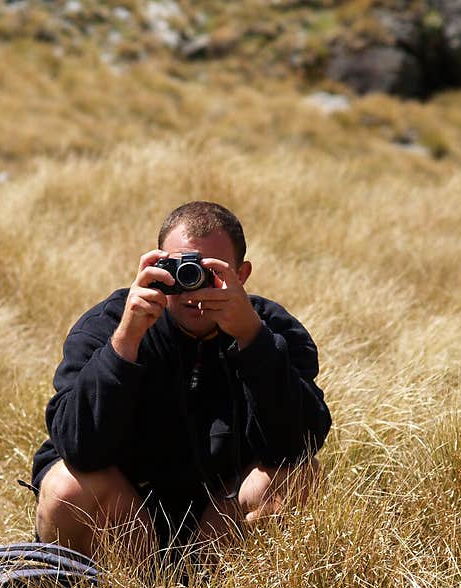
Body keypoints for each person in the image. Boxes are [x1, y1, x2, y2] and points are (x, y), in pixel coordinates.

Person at [29, 201, 331, 561]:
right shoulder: (109, 324)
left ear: (242, 274)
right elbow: (77, 446)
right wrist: (126, 342)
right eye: (180, 268)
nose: (192, 284)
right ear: (156, 265)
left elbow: (300, 445)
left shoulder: (271, 330)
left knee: (298, 478)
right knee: (65, 487)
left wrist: (252, 340)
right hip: (125, 521)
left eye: (210, 271)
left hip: (219, 527)